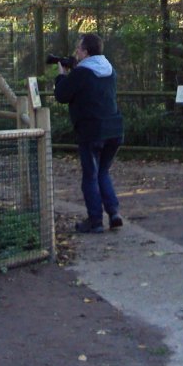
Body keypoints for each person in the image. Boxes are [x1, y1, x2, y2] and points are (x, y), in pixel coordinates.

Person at [53, 32, 125, 234]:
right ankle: (114, 213)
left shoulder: (81, 73)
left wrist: (61, 75)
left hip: (91, 131)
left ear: (86, 51)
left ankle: (95, 221)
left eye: (78, 49)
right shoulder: (110, 70)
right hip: (114, 129)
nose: (76, 52)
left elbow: (61, 95)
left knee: (90, 177)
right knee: (103, 172)